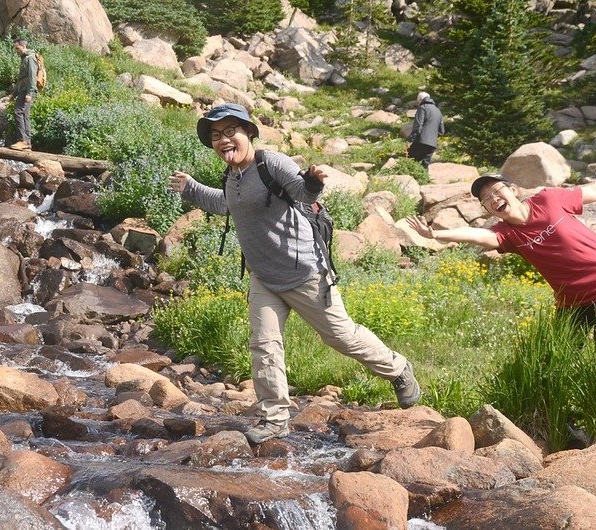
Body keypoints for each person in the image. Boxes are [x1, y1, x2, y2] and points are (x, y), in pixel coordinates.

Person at [169, 103, 421, 444]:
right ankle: (274, 418)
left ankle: (398, 368)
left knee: (341, 337)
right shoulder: (232, 177)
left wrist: (313, 182)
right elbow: (225, 204)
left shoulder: (270, 163)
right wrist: (191, 188)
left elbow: (303, 192)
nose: (223, 140)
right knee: (264, 345)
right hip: (264, 278)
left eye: (230, 132)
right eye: (216, 136)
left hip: (304, 273)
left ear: (248, 133)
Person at [407, 164, 596, 328]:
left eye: (497, 192)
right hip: (572, 298)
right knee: (556, 354)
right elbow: (477, 235)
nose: (493, 200)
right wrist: (437, 234)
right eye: (487, 200)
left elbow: (593, 192)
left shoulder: (548, 200)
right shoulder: (506, 234)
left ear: (513, 190)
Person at [10, 38, 39, 151]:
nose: (16, 50)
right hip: (23, 90)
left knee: (18, 112)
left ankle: (22, 140)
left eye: (17, 48)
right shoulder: (24, 59)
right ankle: (27, 143)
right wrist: (14, 94)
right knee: (25, 115)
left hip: (27, 90)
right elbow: (21, 78)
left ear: (23, 46)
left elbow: (32, 77)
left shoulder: (30, 58)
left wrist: (30, 93)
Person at [407, 91, 445, 169]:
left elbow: (418, 126)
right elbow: (442, 131)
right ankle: (424, 180)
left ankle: (410, 179)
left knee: (411, 159)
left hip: (421, 141)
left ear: (420, 99)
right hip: (432, 144)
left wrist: (411, 139)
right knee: (424, 166)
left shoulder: (422, 107)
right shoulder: (438, 111)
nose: (418, 103)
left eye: (418, 101)